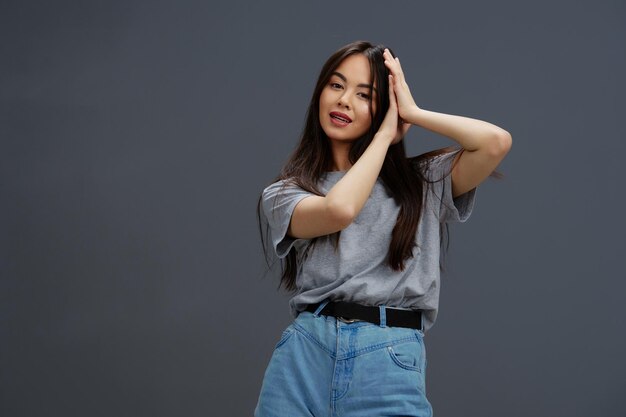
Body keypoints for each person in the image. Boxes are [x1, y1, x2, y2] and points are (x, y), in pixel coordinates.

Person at [254, 40, 512, 417]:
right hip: (304, 356)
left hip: (388, 358)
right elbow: (340, 209)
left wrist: (414, 112)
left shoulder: (421, 183)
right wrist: (382, 138)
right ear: (320, 93)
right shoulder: (285, 193)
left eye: (365, 94)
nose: (344, 101)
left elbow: (495, 143)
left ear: (385, 109)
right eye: (336, 85)